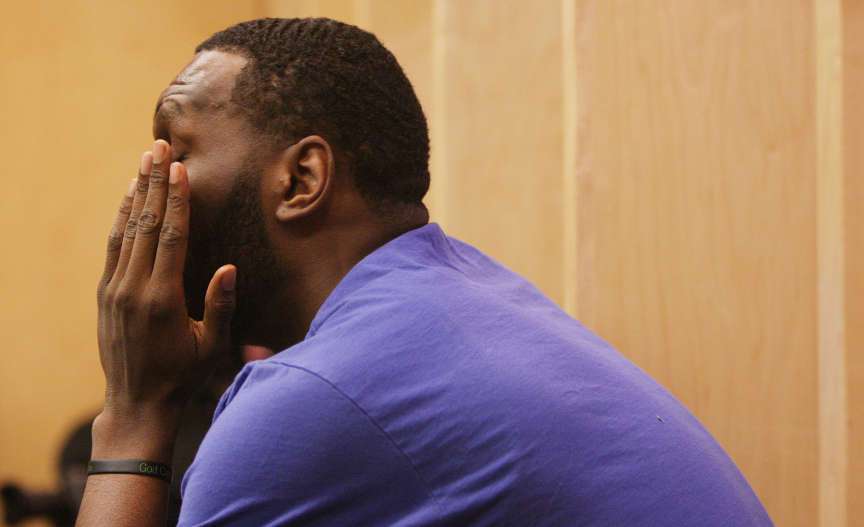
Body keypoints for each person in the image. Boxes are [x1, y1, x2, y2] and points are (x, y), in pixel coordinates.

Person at [77, 17, 773, 526]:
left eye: (176, 149)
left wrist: (138, 410)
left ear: (301, 179)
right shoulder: (456, 298)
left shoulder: (314, 398)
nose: (150, 185)